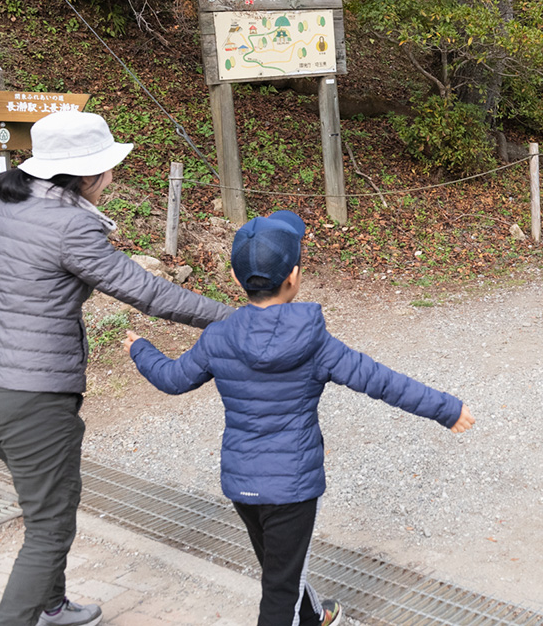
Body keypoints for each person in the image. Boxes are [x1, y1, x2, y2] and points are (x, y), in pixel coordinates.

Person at [123, 210, 475, 626]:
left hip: (241, 485)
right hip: (291, 487)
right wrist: (447, 409)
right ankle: (298, 614)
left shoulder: (218, 337)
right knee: (279, 590)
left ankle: (313, 616)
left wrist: (141, 349)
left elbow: (172, 379)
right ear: (294, 276)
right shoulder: (314, 341)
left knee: (279, 569)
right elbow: (381, 381)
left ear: (237, 280)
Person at [0, 111, 233, 626]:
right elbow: (147, 291)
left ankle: (52, 606)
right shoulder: (71, 224)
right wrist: (237, 316)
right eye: (110, 168)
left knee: (41, 506)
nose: (114, 177)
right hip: (30, 398)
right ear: (89, 174)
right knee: (50, 525)